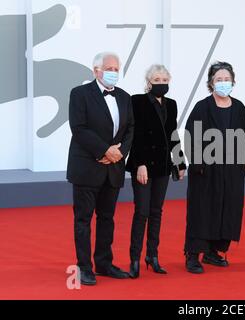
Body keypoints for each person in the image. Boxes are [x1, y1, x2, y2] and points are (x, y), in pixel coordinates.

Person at [67, 52, 134, 285]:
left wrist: (119, 153)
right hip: (87, 167)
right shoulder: (80, 94)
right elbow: (79, 128)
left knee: (107, 218)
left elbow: (130, 130)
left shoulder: (125, 97)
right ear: (96, 70)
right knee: (83, 219)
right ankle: (84, 267)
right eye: (109, 68)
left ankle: (104, 264)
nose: (113, 72)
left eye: (117, 68)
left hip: (113, 168)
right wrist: (105, 150)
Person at [183, 61, 245, 274]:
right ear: (211, 83)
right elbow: (190, 135)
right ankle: (193, 254)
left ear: (233, 82)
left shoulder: (239, 107)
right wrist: (198, 163)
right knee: (202, 210)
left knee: (227, 208)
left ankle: (214, 252)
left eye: (226, 79)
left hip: (231, 170)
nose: (223, 83)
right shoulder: (202, 107)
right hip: (206, 170)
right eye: (218, 80)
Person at [125, 64, 186, 278]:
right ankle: (134, 259)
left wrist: (179, 163)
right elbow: (136, 133)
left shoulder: (172, 104)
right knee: (141, 211)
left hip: (162, 166)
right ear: (148, 82)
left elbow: (173, 134)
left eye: (164, 80)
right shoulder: (137, 101)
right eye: (157, 80)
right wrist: (139, 163)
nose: (161, 83)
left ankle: (152, 256)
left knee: (156, 212)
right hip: (142, 165)